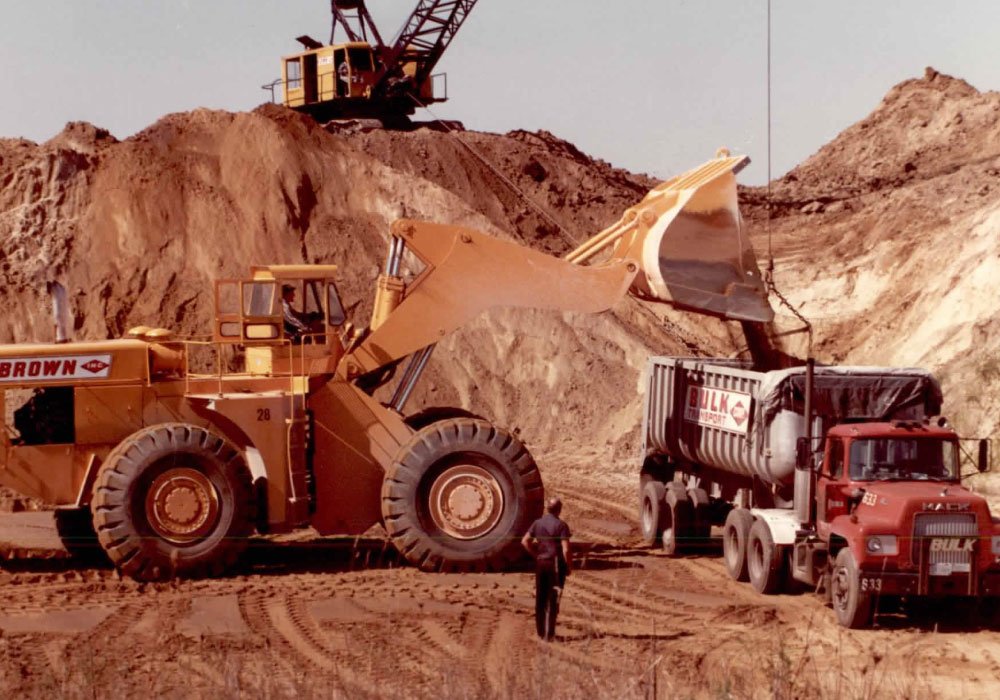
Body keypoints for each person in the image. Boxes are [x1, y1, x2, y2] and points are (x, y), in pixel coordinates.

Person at [521, 497, 572, 641]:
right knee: (553, 599)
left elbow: (525, 541)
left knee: (540, 598)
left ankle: (540, 632)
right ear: (559, 509)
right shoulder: (561, 525)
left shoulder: (537, 523)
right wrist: (568, 566)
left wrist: (535, 554)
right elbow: (566, 550)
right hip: (555, 565)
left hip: (541, 563)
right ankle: (550, 634)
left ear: (547, 508)